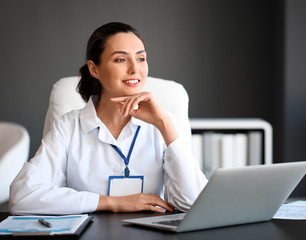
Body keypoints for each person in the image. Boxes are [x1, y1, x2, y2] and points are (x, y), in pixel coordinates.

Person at [9, 22, 207, 215]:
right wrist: (111, 202)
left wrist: (163, 124)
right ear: (94, 69)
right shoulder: (68, 127)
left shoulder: (164, 123)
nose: (134, 69)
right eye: (121, 59)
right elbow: (22, 197)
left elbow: (194, 204)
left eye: (141, 58)